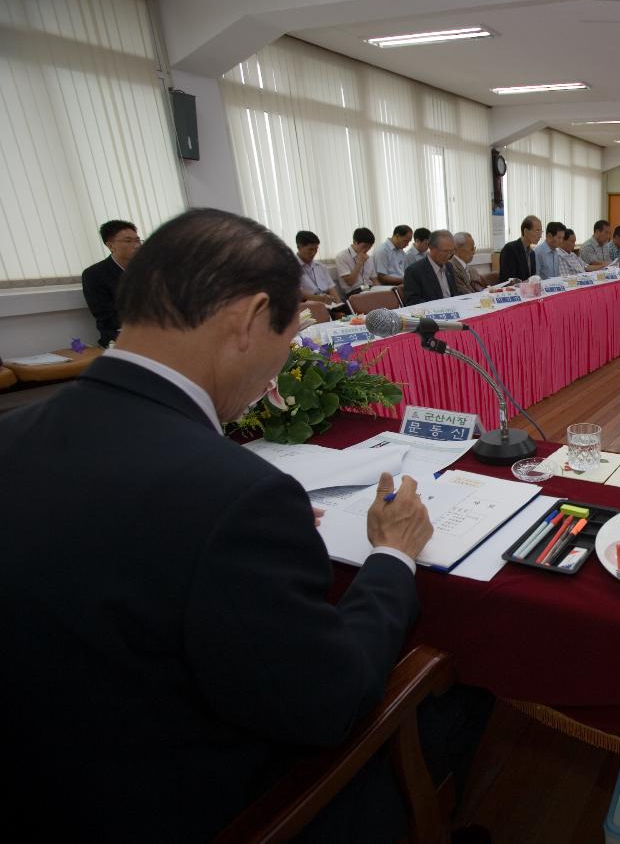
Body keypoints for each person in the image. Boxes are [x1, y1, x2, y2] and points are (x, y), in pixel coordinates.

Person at [0, 208, 491, 841]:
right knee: (468, 693)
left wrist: (249, 543)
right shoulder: (234, 496)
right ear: (250, 320)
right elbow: (331, 700)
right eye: (285, 344)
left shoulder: (15, 434)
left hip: (47, 777)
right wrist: (393, 554)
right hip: (196, 802)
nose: (274, 376)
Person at [81, 219, 141, 347]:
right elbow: (108, 317)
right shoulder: (94, 274)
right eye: (128, 241)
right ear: (110, 245)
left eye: (137, 240)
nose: (136, 245)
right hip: (119, 337)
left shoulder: (148, 271)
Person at [404, 229, 461, 304]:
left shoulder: (449, 266)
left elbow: (454, 293)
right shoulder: (414, 271)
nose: (449, 255)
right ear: (431, 247)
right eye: (445, 251)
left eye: (451, 251)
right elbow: (413, 301)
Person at [296, 230, 341, 307]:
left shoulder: (320, 266)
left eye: (316, 249)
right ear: (299, 247)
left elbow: (331, 288)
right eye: (310, 249)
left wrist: (339, 305)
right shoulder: (290, 268)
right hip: (308, 306)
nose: (314, 253)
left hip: (327, 303)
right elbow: (298, 293)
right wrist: (320, 299)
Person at [335, 227, 377, 297]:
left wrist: (382, 290)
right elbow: (350, 282)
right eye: (364, 246)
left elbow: (375, 280)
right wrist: (359, 263)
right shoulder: (342, 256)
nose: (367, 250)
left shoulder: (369, 258)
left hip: (369, 289)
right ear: (355, 242)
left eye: (370, 247)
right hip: (354, 292)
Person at [499, 215, 541, 280]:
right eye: (537, 231)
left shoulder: (532, 253)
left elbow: (532, 279)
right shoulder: (510, 249)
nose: (540, 235)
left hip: (528, 289)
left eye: (541, 231)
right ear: (526, 231)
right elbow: (509, 280)